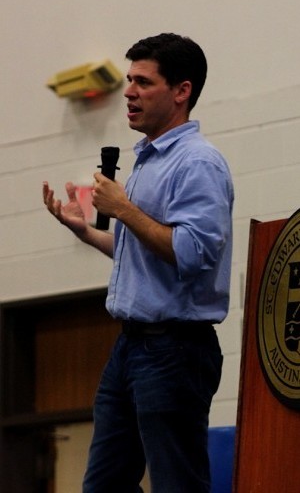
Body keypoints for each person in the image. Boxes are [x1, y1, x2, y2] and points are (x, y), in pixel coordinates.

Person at [43, 32, 234, 493]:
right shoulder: (148, 160)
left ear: (181, 91)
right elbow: (145, 255)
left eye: (143, 82)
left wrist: (124, 209)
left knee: (176, 485)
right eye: (129, 80)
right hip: (130, 348)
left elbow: (191, 254)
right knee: (103, 485)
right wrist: (85, 231)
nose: (128, 92)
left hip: (175, 351)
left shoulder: (197, 163)